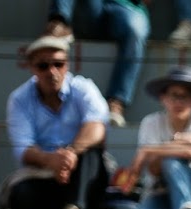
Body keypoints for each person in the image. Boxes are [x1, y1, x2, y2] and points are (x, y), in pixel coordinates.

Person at [3, 36, 109, 209]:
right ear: (32, 68)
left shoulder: (84, 88)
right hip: (43, 174)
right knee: (20, 195)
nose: (52, 72)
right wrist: (51, 161)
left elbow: (97, 128)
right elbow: (23, 149)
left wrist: (71, 154)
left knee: (92, 152)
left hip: (81, 173)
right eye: (43, 66)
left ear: (67, 65)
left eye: (58, 64)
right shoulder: (19, 99)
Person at [121, 66, 191, 209]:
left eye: (184, 96)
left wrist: (147, 150)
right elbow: (154, 167)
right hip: (158, 193)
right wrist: (182, 143)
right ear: (163, 97)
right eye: (174, 96)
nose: (178, 102)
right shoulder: (150, 122)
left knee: (171, 161)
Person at [42, 0, 150, 128]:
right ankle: (59, 22)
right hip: (90, 10)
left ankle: (116, 103)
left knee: (135, 30)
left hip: (127, 7)